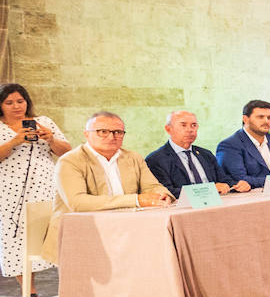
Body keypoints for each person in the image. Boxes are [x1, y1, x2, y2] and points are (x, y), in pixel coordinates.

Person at [41, 111, 172, 263]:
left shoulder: (133, 157)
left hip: (126, 230)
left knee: (161, 252)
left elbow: (153, 186)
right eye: (102, 132)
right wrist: (136, 200)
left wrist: (162, 196)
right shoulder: (69, 161)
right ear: (86, 134)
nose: (111, 137)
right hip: (81, 234)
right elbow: (77, 203)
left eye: (118, 132)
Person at [0, 83, 72, 282]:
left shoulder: (43, 121)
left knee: (53, 236)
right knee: (16, 242)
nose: (16, 106)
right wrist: (14, 141)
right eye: (9, 102)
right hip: (9, 193)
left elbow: (67, 152)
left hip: (45, 188)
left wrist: (51, 139)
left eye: (20, 101)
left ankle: (67, 287)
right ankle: (29, 295)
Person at [146, 111, 248, 197]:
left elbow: (223, 180)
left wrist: (237, 184)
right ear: (168, 129)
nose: (190, 130)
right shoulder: (156, 159)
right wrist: (209, 190)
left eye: (193, 125)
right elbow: (167, 192)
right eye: (183, 125)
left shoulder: (205, 154)